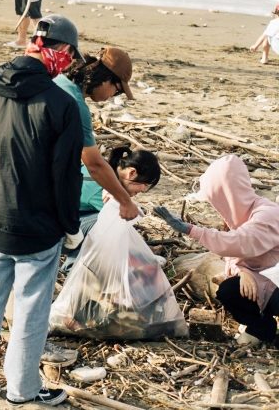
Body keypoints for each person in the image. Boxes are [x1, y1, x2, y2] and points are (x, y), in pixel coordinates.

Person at [0, 15, 119, 407]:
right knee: (31, 311)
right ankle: (22, 391)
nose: (70, 64)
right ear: (63, 51)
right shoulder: (61, 104)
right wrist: (70, 226)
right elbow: (65, 176)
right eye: (71, 56)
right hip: (38, 226)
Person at [155, 155, 279, 346]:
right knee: (229, 290)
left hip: (275, 284)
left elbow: (240, 242)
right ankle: (262, 327)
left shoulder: (267, 214)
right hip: (267, 282)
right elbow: (232, 256)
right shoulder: (241, 217)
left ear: (230, 193)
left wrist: (191, 230)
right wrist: (243, 271)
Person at [55, 45, 148, 238]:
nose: (113, 96)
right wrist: (124, 201)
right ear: (106, 79)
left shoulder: (58, 81)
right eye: (117, 91)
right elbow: (94, 164)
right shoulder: (76, 104)